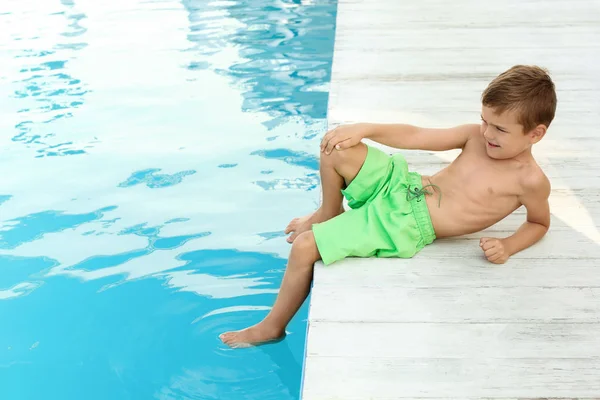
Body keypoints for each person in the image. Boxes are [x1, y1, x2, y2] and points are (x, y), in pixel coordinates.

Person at [220, 64, 556, 348]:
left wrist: (509, 245)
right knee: (335, 147)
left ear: (535, 134)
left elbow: (539, 223)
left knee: (306, 247)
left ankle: (272, 327)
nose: (486, 132)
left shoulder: (530, 181)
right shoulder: (474, 137)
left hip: (407, 224)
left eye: (499, 129)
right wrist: (365, 129)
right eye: (484, 121)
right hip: (403, 185)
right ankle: (329, 211)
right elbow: (415, 136)